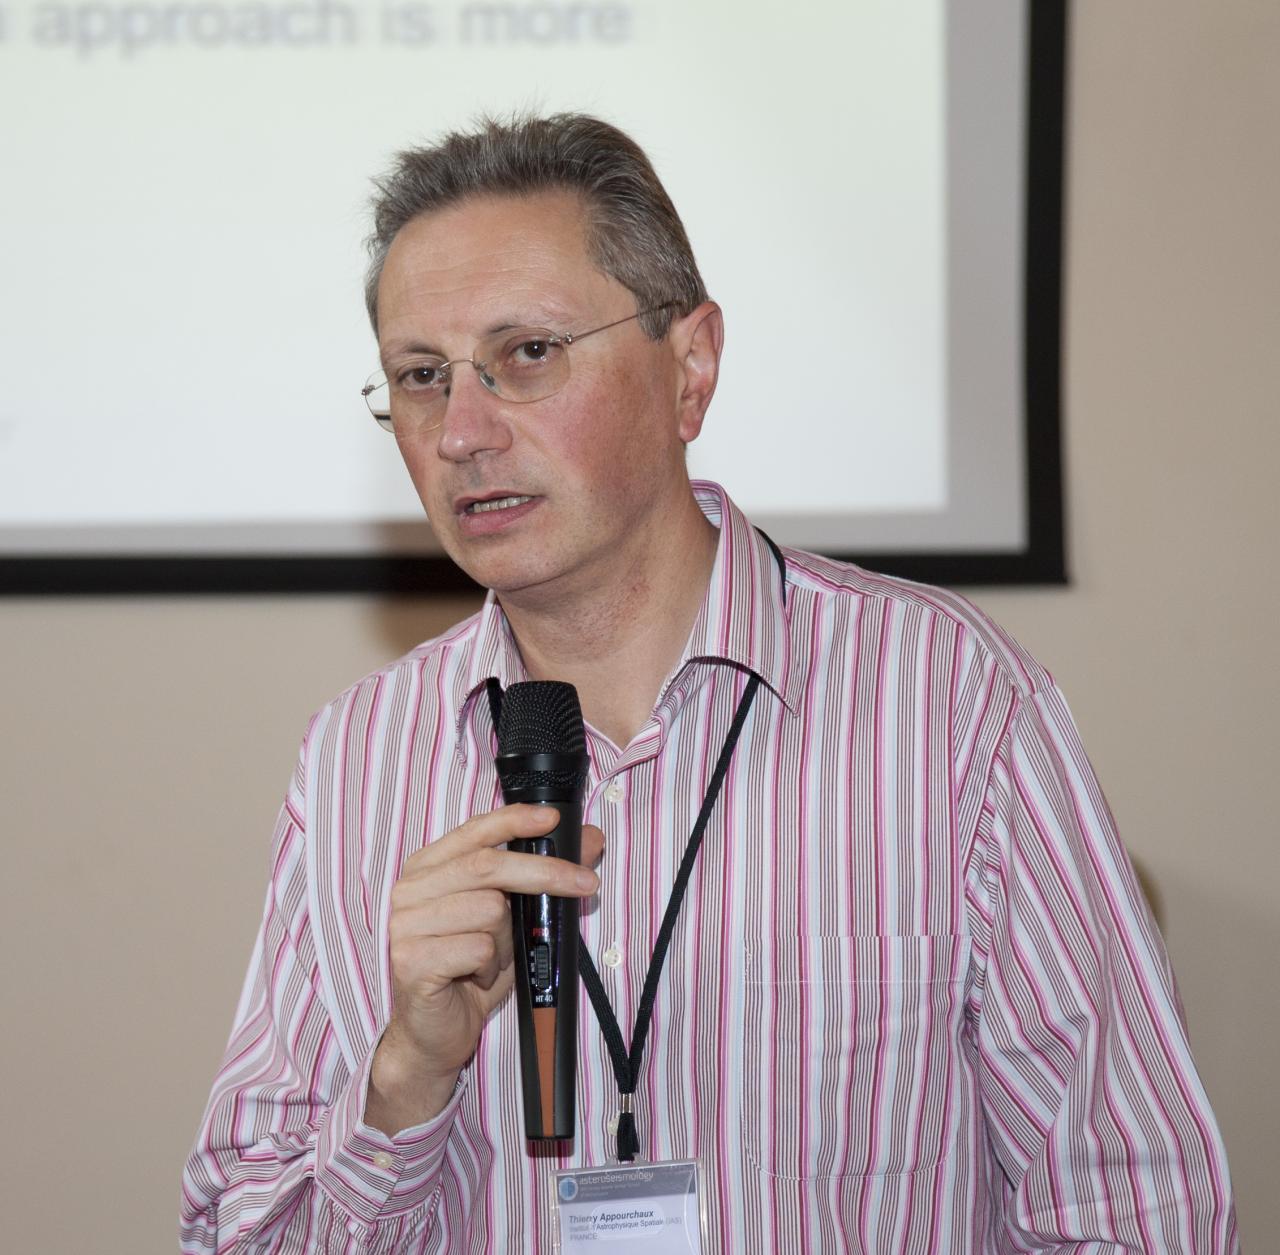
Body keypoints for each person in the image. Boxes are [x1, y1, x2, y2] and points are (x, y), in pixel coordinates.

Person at [182, 113, 1238, 1253]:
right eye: (421, 377)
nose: (462, 434)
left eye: (525, 354)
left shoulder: (944, 703)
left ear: (689, 368)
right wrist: (403, 1079)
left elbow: (1135, 1208)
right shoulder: (357, 763)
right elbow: (237, 1232)